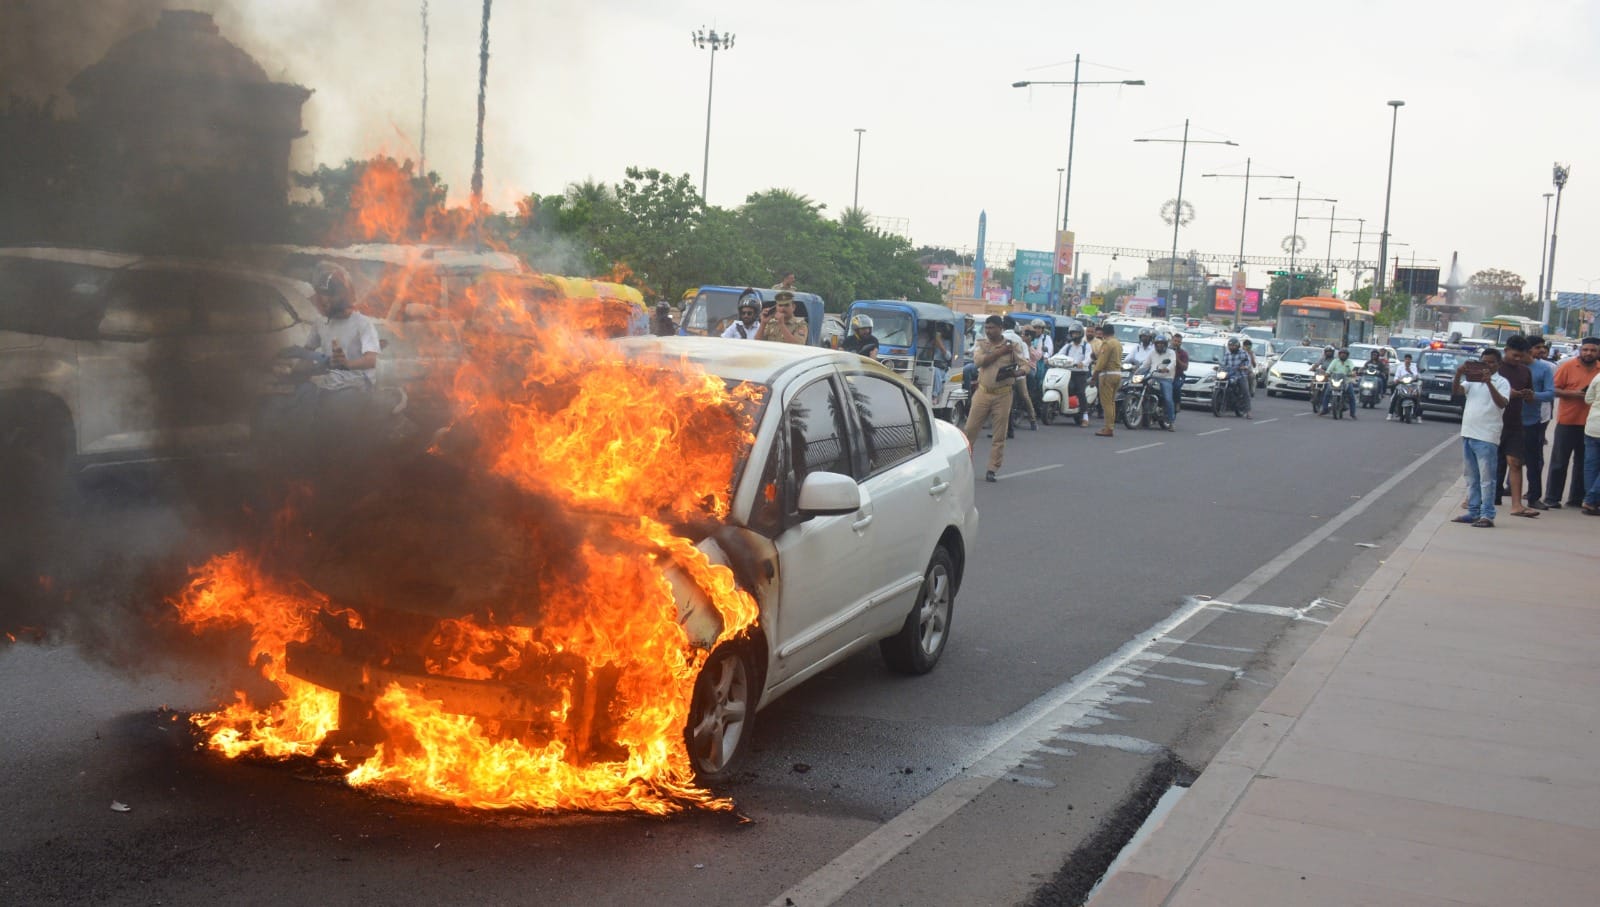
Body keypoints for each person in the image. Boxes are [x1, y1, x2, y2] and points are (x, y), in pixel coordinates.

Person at [963, 315, 1027, 482]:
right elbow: (979, 362)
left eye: (992, 328)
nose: (988, 331)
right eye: (987, 328)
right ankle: (964, 465)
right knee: (969, 431)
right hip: (983, 392)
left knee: (999, 435)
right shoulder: (982, 344)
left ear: (1000, 328)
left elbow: (1025, 364)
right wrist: (1000, 352)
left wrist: (1018, 372)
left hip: (1003, 394)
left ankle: (992, 468)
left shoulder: (1012, 346)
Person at [1452, 348, 1511, 528]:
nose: (1487, 365)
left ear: (1498, 364)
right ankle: (1474, 511)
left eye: (1491, 362)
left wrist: (1489, 383)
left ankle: (1487, 514)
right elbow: (1457, 392)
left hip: (1487, 436)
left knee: (1487, 479)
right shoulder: (1472, 381)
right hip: (1469, 432)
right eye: (1484, 362)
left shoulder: (1502, 382)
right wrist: (1458, 374)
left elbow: (1502, 403)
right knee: (1471, 477)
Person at [1542, 336, 1600, 509]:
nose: (1589, 353)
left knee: (1584, 463)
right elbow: (1553, 389)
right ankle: (1552, 497)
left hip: (1590, 425)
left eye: (1593, 350)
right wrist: (1574, 394)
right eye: (1586, 349)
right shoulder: (1568, 366)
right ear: (1580, 350)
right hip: (1567, 421)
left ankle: (1576, 498)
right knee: (1559, 462)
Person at [1492, 336, 1536, 517]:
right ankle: (1472, 497)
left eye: (1521, 356)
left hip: (1515, 424)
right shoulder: (1495, 369)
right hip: (1493, 422)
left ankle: (1517, 505)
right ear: (1506, 350)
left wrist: (1528, 395)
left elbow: (1531, 398)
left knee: (1515, 463)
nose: (1518, 359)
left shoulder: (1525, 371)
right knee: (1487, 462)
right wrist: (1508, 393)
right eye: (1515, 355)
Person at [1520, 337, 1556, 508]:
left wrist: (1533, 395)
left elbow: (1550, 393)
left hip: (1532, 421)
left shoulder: (1544, 368)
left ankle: (1534, 497)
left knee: (1533, 461)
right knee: (1502, 460)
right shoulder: (1510, 367)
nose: (1541, 350)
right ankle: (1497, 493)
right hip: (1508, 421)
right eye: (1537, 347)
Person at [1001, 316, 1038, 431]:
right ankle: (1033, 420)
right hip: (1019, 373)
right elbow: (1026, 359)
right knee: (1025, 396)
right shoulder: (1020, 341)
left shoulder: (1001, 338)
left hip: (1003, 374)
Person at [1137, 333, 1179, 429]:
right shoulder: (1152, 353)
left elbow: (1173, 362)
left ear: (1165, 344)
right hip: (1153, 377)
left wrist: (1167, 369)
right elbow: (1146, 364)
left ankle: (1171, 421)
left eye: (1162, 343)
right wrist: (1137, 370)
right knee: (1141, 389)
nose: (1160, 345)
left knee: (1168, 398)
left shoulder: (1171, 352)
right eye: (1158, 343)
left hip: (1166, 378)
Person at [1092, 323, 1124, 437]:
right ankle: (1110, 426)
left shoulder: (1107, 343)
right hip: (1117, 374)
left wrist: (1094, 376)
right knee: (1111, 402)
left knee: (1106, 403)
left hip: (1107, 375)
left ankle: (1108, 428)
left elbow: (1101, 362)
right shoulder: (1118, 343)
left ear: (1104, 333)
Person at [1059, 326, 1094, 426]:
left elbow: (1089, 358)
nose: (1074, 335)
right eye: (1073, 333)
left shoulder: (1086, 346)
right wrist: (1050, 359)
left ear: (1081, 334)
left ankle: (1085, 416)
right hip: (1067, 372)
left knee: (1080, 392)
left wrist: (1082, 363)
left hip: (1080, 373)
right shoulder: (1068, 346)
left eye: (1076, 333)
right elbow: (1059, 354)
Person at [1220, 336, 1254, 419]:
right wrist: (1219, 368)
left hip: (1240, 375)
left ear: (1238, 346)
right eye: (1230, 346)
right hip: (1229, 375)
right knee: (1220, 383)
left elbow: (1248, 362)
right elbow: (1223, 364)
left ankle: (1248, 411)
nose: (1232, 347)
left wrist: (1245, 367)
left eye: (1233, 346)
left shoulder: (1243, 353)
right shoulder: (1227, 354)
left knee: (1245, 391)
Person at [1582, 368, 1600, 515]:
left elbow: (1588, 399)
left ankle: (1591, 502)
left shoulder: (1598, 377)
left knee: (1591, 466)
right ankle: (1591, 499)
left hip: (1592, 426)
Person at [1325, 347, 1358, 418]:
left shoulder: (1349, 362)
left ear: (1347, 355)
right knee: (1327, 393)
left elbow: (1353, 369)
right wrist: (1327, 373)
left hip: (1346, 381)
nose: (1343, 355)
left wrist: (1353, 373)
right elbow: (1329, 369)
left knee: (1352, 396)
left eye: (1345, 354)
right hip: (1334, 381)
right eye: (1341, 354)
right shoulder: (1335, 361)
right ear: (1339, 354)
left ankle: (1352, 413)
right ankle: (1324, 409)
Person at [1387, 353, 1419, 420]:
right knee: (1395, 397)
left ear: (1411, 360)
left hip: (1411, 385)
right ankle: (1390, 414)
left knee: (1417, 397)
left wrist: (1410, 371)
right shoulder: (1400, 367)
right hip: (1401, 385)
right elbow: (1396, 376)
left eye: (1409, 359)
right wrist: (1396, 380)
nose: (1407, 361)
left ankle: (1418, 415)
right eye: (1406, 359)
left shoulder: (1414, 367)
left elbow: (1416, 376)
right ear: (1404, 360)